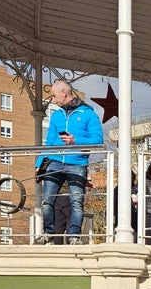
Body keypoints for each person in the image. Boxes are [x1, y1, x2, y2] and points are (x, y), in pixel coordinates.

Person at [36, 79, 104, 244]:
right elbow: (50, 141)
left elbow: (98, 140)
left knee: (76, 202)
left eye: (53, 95)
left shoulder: (88, 113)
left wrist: (76, 140)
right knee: (46, 200)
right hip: (54, 161)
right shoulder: (56, 115)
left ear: (63, 93)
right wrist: (39, 163)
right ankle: (48, 233)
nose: (52, 99)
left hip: (77, 163)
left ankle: (74, 236)